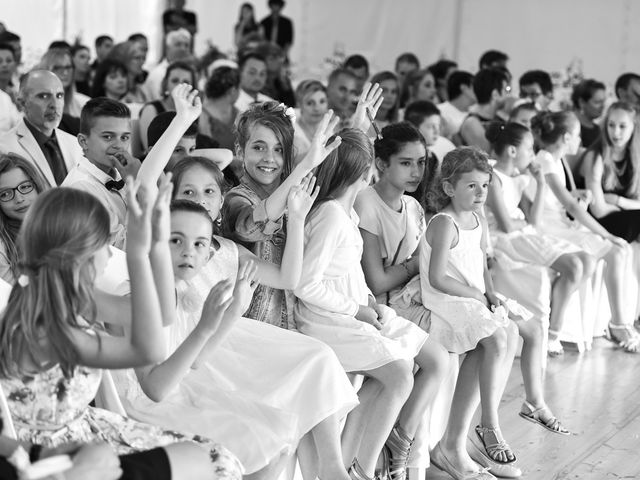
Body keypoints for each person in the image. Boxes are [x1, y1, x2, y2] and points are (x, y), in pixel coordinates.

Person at [114, 162, 358, 479]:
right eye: (176, 240)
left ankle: (331, 467)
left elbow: (289, 278)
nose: (189, 251)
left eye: (209, 192)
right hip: (173, 378)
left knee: (311, 372)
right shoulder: (144, 290)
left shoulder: (223, 252)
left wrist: (296, 219)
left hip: (199, 349)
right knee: (264, 438)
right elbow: (161, 382)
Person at [0, 181, 243, 479]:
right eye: (106, 244)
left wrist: (153, 245)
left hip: (85, 427)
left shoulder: (71, 294)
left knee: (215, 457)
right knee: (217, 464)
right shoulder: (46, 328)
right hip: (55, 457)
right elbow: (149, 349)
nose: (109, 255)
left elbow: (160, 314)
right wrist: (137, 255)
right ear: (79, 255)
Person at [294, 128, 448, 480]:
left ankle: (372, 454)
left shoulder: (347, 214)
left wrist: (367, 301)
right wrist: (359, 309)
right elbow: (306, 283)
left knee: (425, 358)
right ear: (366, 172)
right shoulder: (331, 216)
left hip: (353, 306)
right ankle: (362, 468)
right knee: (398, 372)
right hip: (326, 320)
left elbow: (347, 272)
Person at [222, 91, 380, 328]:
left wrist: (358, 130)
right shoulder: (236, 199)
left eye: (279, 149)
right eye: (258, 147)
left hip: (299, 321)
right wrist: (305, 165)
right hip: (253, 325)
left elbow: (337, 170)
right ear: (240, 150)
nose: (270, 158)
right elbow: (253, 226)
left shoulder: (298, 189)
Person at [420, 147, 522, 479]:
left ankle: (459, 441)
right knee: (493, 337)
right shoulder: (444, 223)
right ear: (449, 187)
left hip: (471, 298)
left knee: (510, 332)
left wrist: (492, 295)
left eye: (485, 186)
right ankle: (488, 424)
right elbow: (437, 278)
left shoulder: (478, 221)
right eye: (471, 186)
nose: (480, 193)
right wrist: (476, 294)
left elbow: (481, 265)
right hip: (446, 299)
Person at [529, 111, 640, 352]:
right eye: (578, 136)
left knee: (619, 252)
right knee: (614, 249)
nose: (580, 141)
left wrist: (578, 195)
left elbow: (563, 198)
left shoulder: (555, 160)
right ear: (567, 137)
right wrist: (606, 234)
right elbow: (568, 205)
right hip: (548, 227)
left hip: (560, 223)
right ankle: (618, 324)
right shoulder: (546, 159)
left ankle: (619, 321)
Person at [484, 120, 592, 359]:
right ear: (512, 151)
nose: (533, 155)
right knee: (574, 266)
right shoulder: (493, 178)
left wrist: (541, 183)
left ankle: (554, 324)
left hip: (524, 233)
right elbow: (506, 224)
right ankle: (553, 333)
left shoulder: (517, 177)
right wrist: (522, 223)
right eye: (530, 149)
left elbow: (533, 220)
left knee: (588, 260)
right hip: (505, 239)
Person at [63, 84, 201, 248]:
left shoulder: (123, 171)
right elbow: (123, 248)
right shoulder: (81, 189)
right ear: (83, 141)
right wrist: (140, 187)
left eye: (124, 137)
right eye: (108, 137)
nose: (118, 145)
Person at [355, 123, 426, 308]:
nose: (416, 172)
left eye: (421, 162)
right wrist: (414, 266)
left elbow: (423, 263)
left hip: (411, 300)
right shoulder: (366, 204)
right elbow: (376, 282)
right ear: (381, 164)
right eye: (405, 163)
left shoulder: (414, 207)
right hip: (376, 309)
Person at [0, 70, 84, 187]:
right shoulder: (4, 148)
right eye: (43, 96)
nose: (54, 104)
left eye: (59, 95)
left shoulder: (75, 144)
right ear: (22, 103)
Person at [581, 102, 640, 242]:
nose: (616, 132)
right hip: (598, 222)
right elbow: (598, 210)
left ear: (633, 127)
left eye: (622, 126)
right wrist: (626, 207)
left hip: (626, 217)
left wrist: (619, 201)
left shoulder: (636, 158)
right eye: (611, 125)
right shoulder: (595, 156)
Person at [0, 153, 48, 283]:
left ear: (37, 185)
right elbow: (13, 298)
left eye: (25, 187)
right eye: (5, 194)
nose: (19, 199)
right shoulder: (3, 248)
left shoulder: (64, 220)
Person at [138, 61, 197, 151]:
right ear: (166, 84)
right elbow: (150, 149)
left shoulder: (195, 111)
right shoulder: (151, 109)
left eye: (186, 82)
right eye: (175, 81)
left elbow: (203, 143)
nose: (180, 85)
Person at [459, 68, 510, 151]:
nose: (509, 95)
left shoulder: (500, 118)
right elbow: (487, 155)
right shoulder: (472, 123)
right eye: (506, 90)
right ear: (495, 94)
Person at [38, 48, 90, 119]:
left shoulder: (84, 104)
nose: (65, 72)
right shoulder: (34, 106)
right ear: (45, 71)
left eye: (68, 67)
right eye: (57, 68)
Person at [143, 29, 192, 102]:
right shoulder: (159, 74)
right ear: (168, 48)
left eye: (186, 45)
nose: (183, 49)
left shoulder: (189, 72)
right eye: (178, 44)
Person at [199, 66, 240, 150]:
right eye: (239, 88)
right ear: (233, 90)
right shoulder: (203, 116)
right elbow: (207, 151)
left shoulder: (238, 113)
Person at [293, 79, 328, 164]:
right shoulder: (291, 131)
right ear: (299, 104)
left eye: (322, 101)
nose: (317, 108)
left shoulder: (331, 127)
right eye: (310, 103)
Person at [437, 70, 475, 141]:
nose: (479, 90)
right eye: (475, 86)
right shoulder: (439, 110)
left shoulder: (475, 113)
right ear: (464, 88)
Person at [257, 41, 295, 106]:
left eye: (280, 57)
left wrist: (284, 83)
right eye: (272, 58)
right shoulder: (259, 83)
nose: (279, 61)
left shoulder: (282, 79)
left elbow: (292, 105)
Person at [572, 79, 606, 148]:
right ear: (582, 102)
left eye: (603, 101)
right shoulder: (571, 125)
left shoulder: (597, 129)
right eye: (597, 102)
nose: (602, 106)